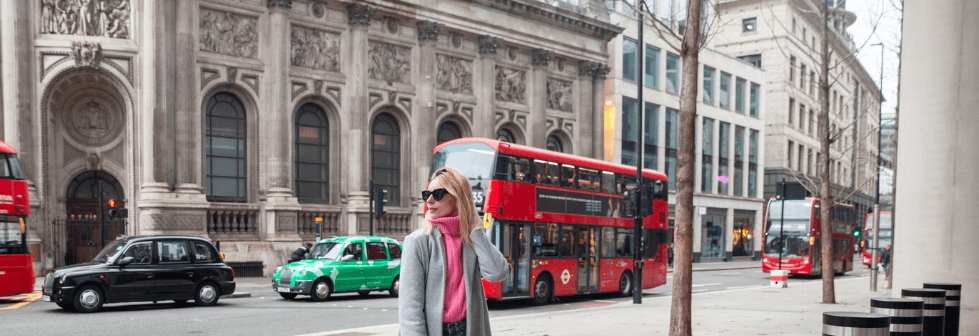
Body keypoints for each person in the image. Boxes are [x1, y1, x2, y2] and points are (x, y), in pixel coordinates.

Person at [399, 167, 509, 336]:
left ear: (457, 198)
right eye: (426, 194)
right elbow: (410, 309)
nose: (429, 200)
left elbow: (497, 273)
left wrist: (474, 227)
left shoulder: (471, 240)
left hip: (470, 329)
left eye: (438, 194)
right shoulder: (417, 242)